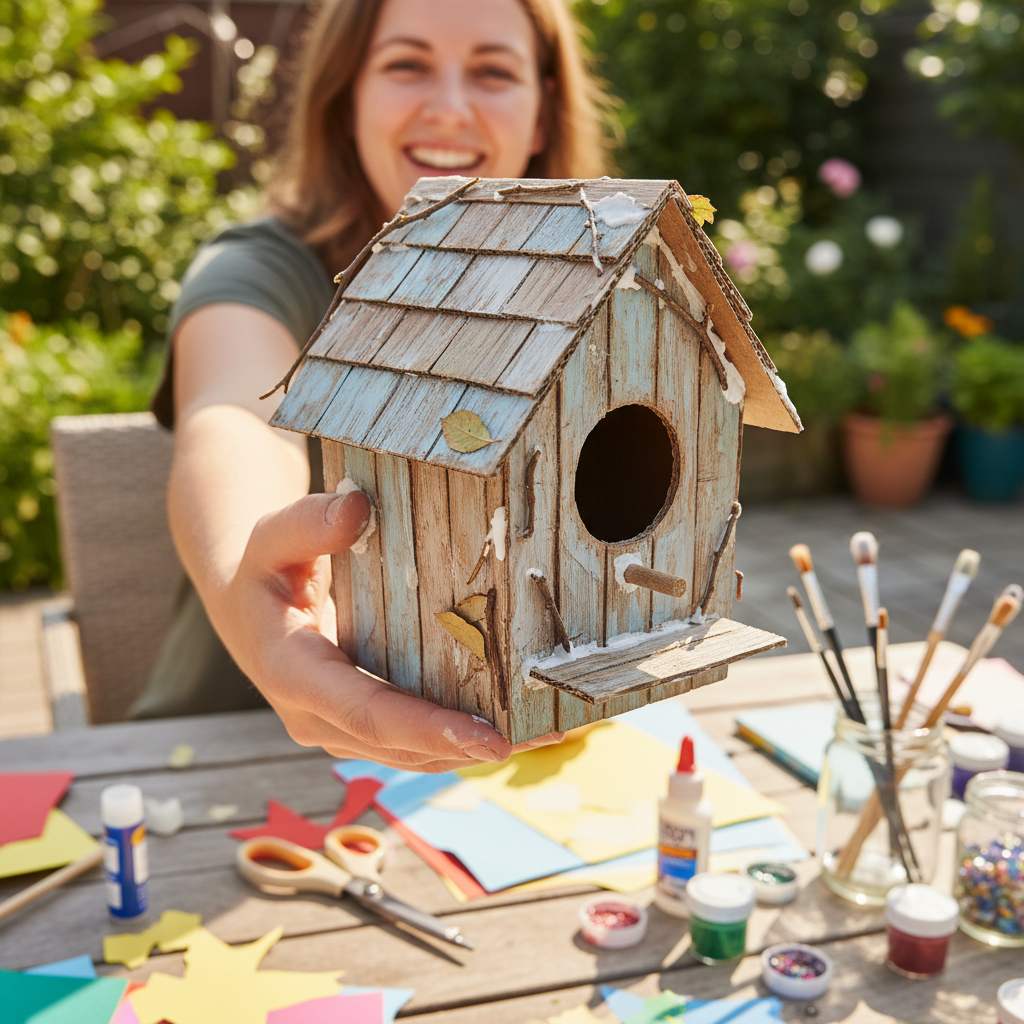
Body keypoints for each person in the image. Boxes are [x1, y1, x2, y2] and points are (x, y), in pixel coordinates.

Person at [142, 0, 611, 771]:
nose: (451, 109)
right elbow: (233, 420)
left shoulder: (582, 294)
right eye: (407, 64)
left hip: (476, 767)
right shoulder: (268, 270)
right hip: (230, 756)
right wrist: (251, 568)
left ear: (540, 117)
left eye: (493, 71)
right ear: (345, 98)